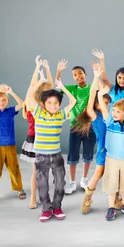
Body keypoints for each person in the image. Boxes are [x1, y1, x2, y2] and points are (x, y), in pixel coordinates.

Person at [26, 77, 77, 222]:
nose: (53, 106)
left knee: (60, 183)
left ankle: (57, 207)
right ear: (44, 104)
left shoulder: (61, 115)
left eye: (56, 103)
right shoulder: (38, 113)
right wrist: (39, 82)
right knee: (42, 185)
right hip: (41, 156)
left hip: (56, 156)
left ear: (59, 104)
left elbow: (73, 102)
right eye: (49, 103)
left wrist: (63, 87)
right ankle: (46, 209)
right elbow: (30, 95)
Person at [95, 48, 124, 195]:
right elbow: (104, 79)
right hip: (113, 128)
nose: (122, 80)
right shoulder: (113, 89)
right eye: (120, 77)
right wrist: (102, 60)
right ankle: (115, 183)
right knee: (115, 156)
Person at [76, 65, 112, 214]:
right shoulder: (94, 116)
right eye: (102, 102)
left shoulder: (110, 116)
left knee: (114, 175)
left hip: (114, 149)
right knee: (99, 174)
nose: (105, 105)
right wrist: (96, 77)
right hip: (104, 150)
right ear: (97, 103)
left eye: (107, 103)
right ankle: (87, 197)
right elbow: (92, 94)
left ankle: (115, 199)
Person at [56, 59, 94, 194]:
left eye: (80, 73)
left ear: (85, 74)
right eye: (75, 75)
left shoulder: (91, 88)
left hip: (90, 126)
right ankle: (72, 182)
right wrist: (59, 70)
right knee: (72, 155)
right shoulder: (72, 89)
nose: (78, 76)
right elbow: (58, 86)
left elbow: (99, 87)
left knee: (88, 154)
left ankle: (84, 179)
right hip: (75, 127)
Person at [21, 56, 54, 209]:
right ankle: (33, 198)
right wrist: (37, 69)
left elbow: (52, 87)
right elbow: (30, 88)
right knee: (37, 172)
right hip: (35, 140)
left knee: (44, 171)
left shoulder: (47, 105)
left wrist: (47, 69)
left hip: (46, 139)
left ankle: (43, 196)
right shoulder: (31, 105)